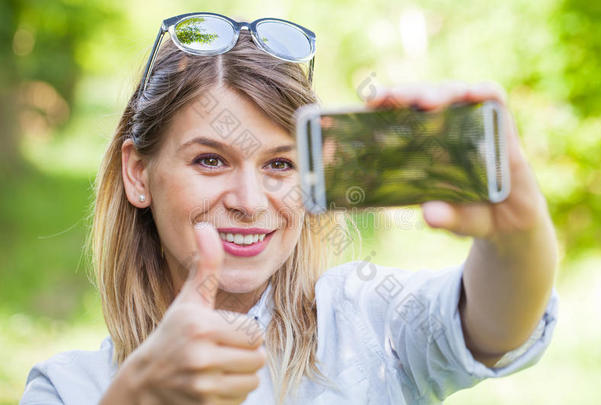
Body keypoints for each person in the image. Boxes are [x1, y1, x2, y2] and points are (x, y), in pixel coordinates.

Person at [19, 12, 559, 405]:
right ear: (138, 172)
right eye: (210, 160)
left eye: (280, 165)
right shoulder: (69, 388)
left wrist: (517, 235)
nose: (250, 203)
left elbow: (495, 326)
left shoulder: (367, 319)